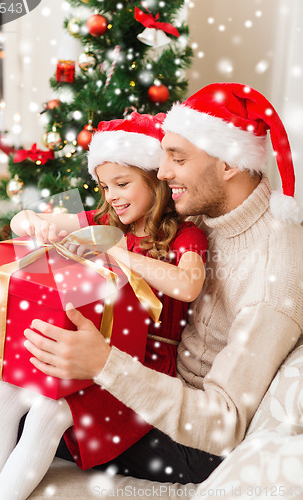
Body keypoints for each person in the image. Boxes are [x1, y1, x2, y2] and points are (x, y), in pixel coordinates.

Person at [19, 83, 301, 480]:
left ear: (228, 163)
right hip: (150, 376)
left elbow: (222, 426)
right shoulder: (206, 209)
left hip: (191, 440)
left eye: (177, 158)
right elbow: (99, 226)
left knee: (11, 395)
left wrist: (103, 364)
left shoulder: (272, 278)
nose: (162, 171)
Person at [0, 112, 210, 500]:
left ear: (154, 179)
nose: (111, 195)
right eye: (103, 185)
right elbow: (22, 222)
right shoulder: (102, 221)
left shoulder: (184, 233)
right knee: (5, 392)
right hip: (87, 350)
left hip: (137, 367)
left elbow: (188, 285)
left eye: (123, 183)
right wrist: (33, 224)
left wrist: (120, 253)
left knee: (49, 412)